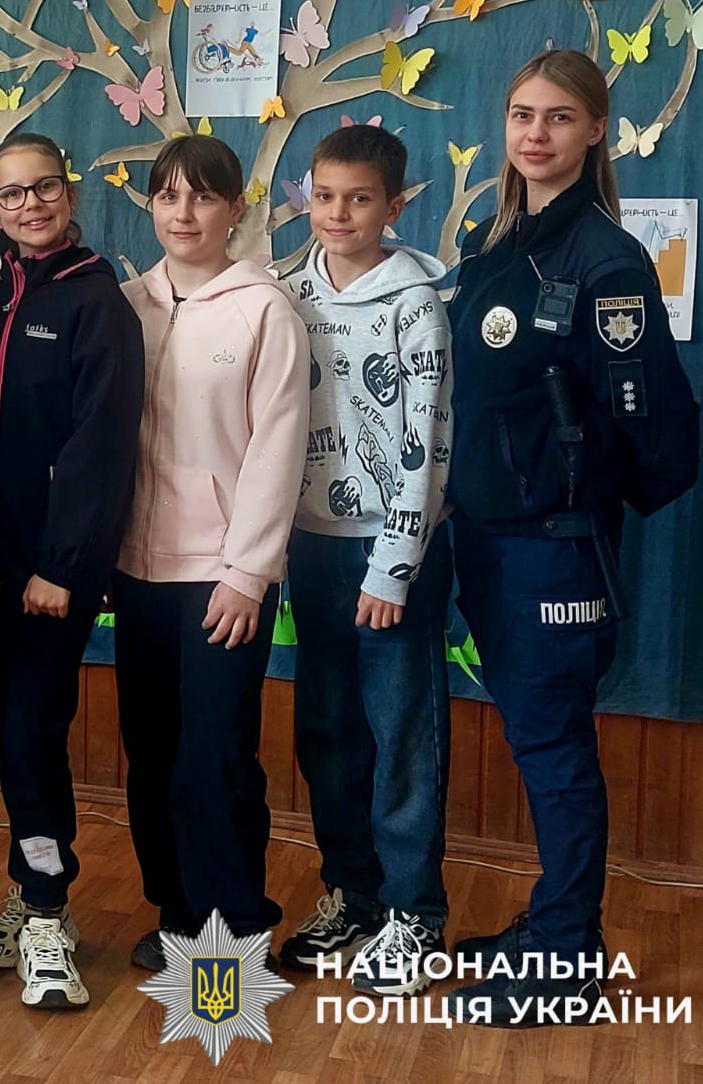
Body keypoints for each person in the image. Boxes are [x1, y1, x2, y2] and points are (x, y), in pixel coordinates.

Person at [443, 50, 698, 1026]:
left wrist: (574, 495)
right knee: (536, 740)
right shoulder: (497, 241)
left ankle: (565, 963)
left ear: (595, 131)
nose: (535, 133)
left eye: (558, 116)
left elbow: (658, 436)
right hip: (489, 541)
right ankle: (552, 925)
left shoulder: (606, 259)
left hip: (552, 549)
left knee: (554, 752)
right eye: (521, 114)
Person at [111, 136, 308, 975]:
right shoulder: (126, 304)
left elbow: (277, 448)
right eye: (167, 196)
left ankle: (235, 926)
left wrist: (247, 573)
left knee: (215, 754)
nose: (183, 213)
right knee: (153, 751)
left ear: (237, 207)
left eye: (202, 197)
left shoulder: (265, 309)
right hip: (136, 572)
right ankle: (178, 911)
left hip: (222, 578)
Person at [276, 124, 456, 996]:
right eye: (324, 196)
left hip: (395, 552)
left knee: (401, 731)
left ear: (395, 203)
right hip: (312, 544)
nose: (338, 214)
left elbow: (428, 438)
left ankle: (415, 912)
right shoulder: (286, 289)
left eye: (359, 198)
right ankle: (354, 892)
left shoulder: (415, 298)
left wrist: (395, 564)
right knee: (328, 729)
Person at [0, 131, 143, 1010]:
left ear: (70, 194)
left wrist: (63, 566)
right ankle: (32, 891)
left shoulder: (96, 300)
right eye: (12, 193)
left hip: (50, 580)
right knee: (15, 738)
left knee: (34, 735)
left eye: (44, 188)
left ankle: (46, 911)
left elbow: (100, 448)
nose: (30, 205)